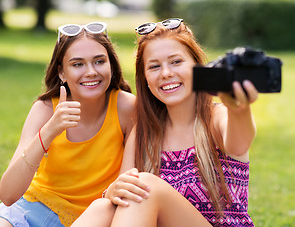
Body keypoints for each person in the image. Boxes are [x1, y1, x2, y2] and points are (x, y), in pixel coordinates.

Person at [71, 18, 258, 227]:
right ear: (145, 78)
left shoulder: (217, 117)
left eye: (176, 62)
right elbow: (123, 195)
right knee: (103, 207)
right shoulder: (144, 133)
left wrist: (240, 109)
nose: (166, 73)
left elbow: (239, 143)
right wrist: (112, 191)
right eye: (154, 66)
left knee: (146, 187)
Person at [0, 22, 136, 227]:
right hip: (33, 208)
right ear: (61, 73)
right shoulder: (45, 109)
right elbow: (8, 195)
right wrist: (49, 131)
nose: (91, 72)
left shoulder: (127, 108)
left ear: (111, 65)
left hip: (94, 217)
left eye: (99, 61)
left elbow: (127, 184)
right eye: (77, 64)